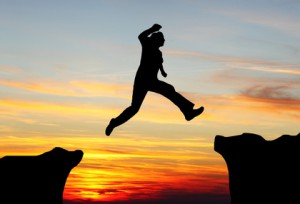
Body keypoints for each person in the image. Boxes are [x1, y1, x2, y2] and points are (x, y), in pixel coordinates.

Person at [105, 24, 204, 136]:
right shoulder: (147, 44)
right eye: (163, 39)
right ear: (157, 39)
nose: (164, 41)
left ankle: (188, 111)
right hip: (142, 80)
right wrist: (152, 29)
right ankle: (114, 123)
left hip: (152, 80)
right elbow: (141, 36)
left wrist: (162, 72)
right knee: (135, 108)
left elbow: (159, 63)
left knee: (168, 89)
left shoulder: (158, 52)